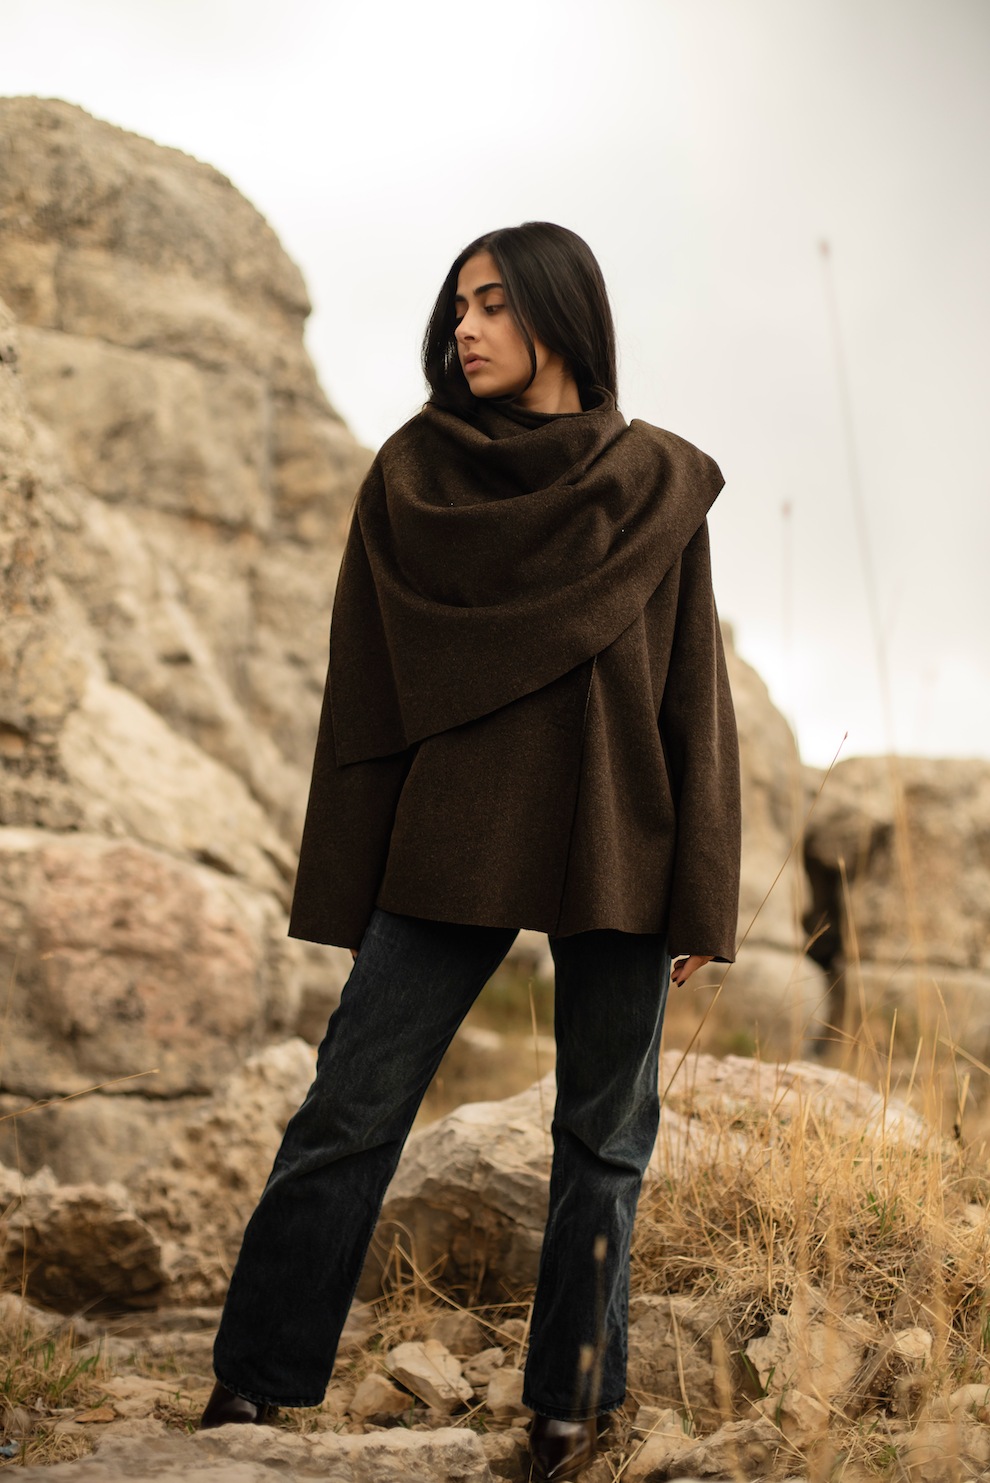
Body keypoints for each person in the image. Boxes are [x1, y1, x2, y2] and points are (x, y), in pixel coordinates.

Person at [199, 221, 741, 1483]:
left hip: (620, 840)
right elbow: (368, 691)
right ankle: (252, 1385)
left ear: (561, 314)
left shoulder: (660, 482)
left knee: (606, 1141)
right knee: (349, 1109)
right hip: (452, 837)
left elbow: (692, 702)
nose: (467, 326)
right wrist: (355, 863)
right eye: (457, 307)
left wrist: (701, 895)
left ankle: (569, 1409)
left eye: (494, 303)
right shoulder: (416, 477)